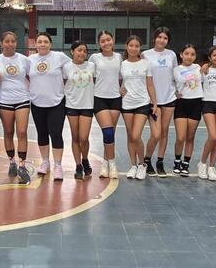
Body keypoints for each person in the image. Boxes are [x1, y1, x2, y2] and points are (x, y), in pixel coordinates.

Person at [28, 32, 70, 180]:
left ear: (50, 44)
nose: (43, 44)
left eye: (46, 41)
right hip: (37, 103)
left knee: (56, 133)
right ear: (35, 44)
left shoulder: (59, 57)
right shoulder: (30, 60)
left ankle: (58, 165)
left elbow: (72, 71)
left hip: (56, 102)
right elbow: (24, 76)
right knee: (42, 133)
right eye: (39, 42)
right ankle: (45, 162)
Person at [120, 36, 159, 180]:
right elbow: (120, 81)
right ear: (127, 46)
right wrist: (120, 89)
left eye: (136, 46)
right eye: (131, 45)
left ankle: (142, 164)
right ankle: (133, 165)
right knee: (130, 136)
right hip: (127, 103)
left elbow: (150, 84)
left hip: (142, 103)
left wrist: (154, 102)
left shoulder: (146, 63)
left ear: (140, 48)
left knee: (136, 136)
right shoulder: (123, 64)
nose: (133, 48)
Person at [0, 31, 32, 183]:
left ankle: (22, 166)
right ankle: (12, 162)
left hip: (22, 99)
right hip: (4, 100)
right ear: (1, 43)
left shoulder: (24, 60)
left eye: (13, 41)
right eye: (7, 41)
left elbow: (32, 76)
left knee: (22, 132)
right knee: (8, 132)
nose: (10, 44)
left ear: (16, 43)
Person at [141, 27, 175, 178]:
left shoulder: (171, 54)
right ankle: (147, 159)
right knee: (156, 134)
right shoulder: (145, 55)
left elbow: (177, 73)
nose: (162, 40)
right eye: (159, 37)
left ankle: (160, 161)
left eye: (165, 38)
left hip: (169, 98)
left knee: (165, 132)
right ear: (154, 38)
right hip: (153, 100)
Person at [89, 31, 122, 179]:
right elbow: (89, 77)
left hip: (115, 98)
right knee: (107, 132)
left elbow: (123, 76)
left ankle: (105, 163)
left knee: (110, 135)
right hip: (99, 98)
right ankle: (112, 163)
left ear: (113, 40)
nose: (106, 43)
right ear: (99, 44)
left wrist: (123, 88)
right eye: (103, 41)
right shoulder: (94, 58)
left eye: (108, 40)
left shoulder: (119, 57)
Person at [64, 40, 96, 180]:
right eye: (79, 50)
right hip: (71, 105)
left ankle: (85, 159)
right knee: (75, 137)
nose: (82, 53)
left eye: (84, 51)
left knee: (84, 138)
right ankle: (78, 165)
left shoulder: (92, 66)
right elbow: (63, 83)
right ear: (72, 51)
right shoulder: (66, 67)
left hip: (87, 105)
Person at [173, 44, 203, 178]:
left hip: (196, 103)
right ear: (181, 55)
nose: (189, 56)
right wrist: (174, 92)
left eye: (192, 54)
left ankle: (186, 163)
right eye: (186, 53)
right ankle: (177, 161)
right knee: (180, 137)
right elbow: (170, 84)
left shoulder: (199, 68)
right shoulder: (176, 69)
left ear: (195, 56)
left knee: (190, 137)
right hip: (181, 103)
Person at [198, 46, 216, 181]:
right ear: (209, 58)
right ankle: (202, 163)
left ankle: (212, 167)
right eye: (214, 55)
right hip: (207, 103)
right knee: (213, 136)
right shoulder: (205, 70)